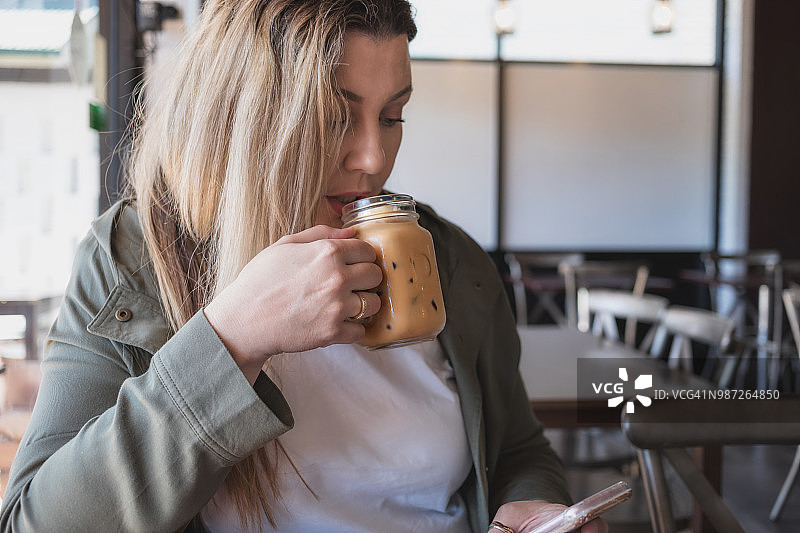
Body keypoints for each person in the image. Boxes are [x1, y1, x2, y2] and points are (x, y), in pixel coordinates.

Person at [0, 1, 607, 532]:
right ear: (242, 115)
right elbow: (37, 521)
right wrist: (232, 339)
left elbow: (517, 449)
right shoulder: (136, 260)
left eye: (392, 116)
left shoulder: (446, 259)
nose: (374, 156)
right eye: (338, 115)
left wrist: (531, 504)